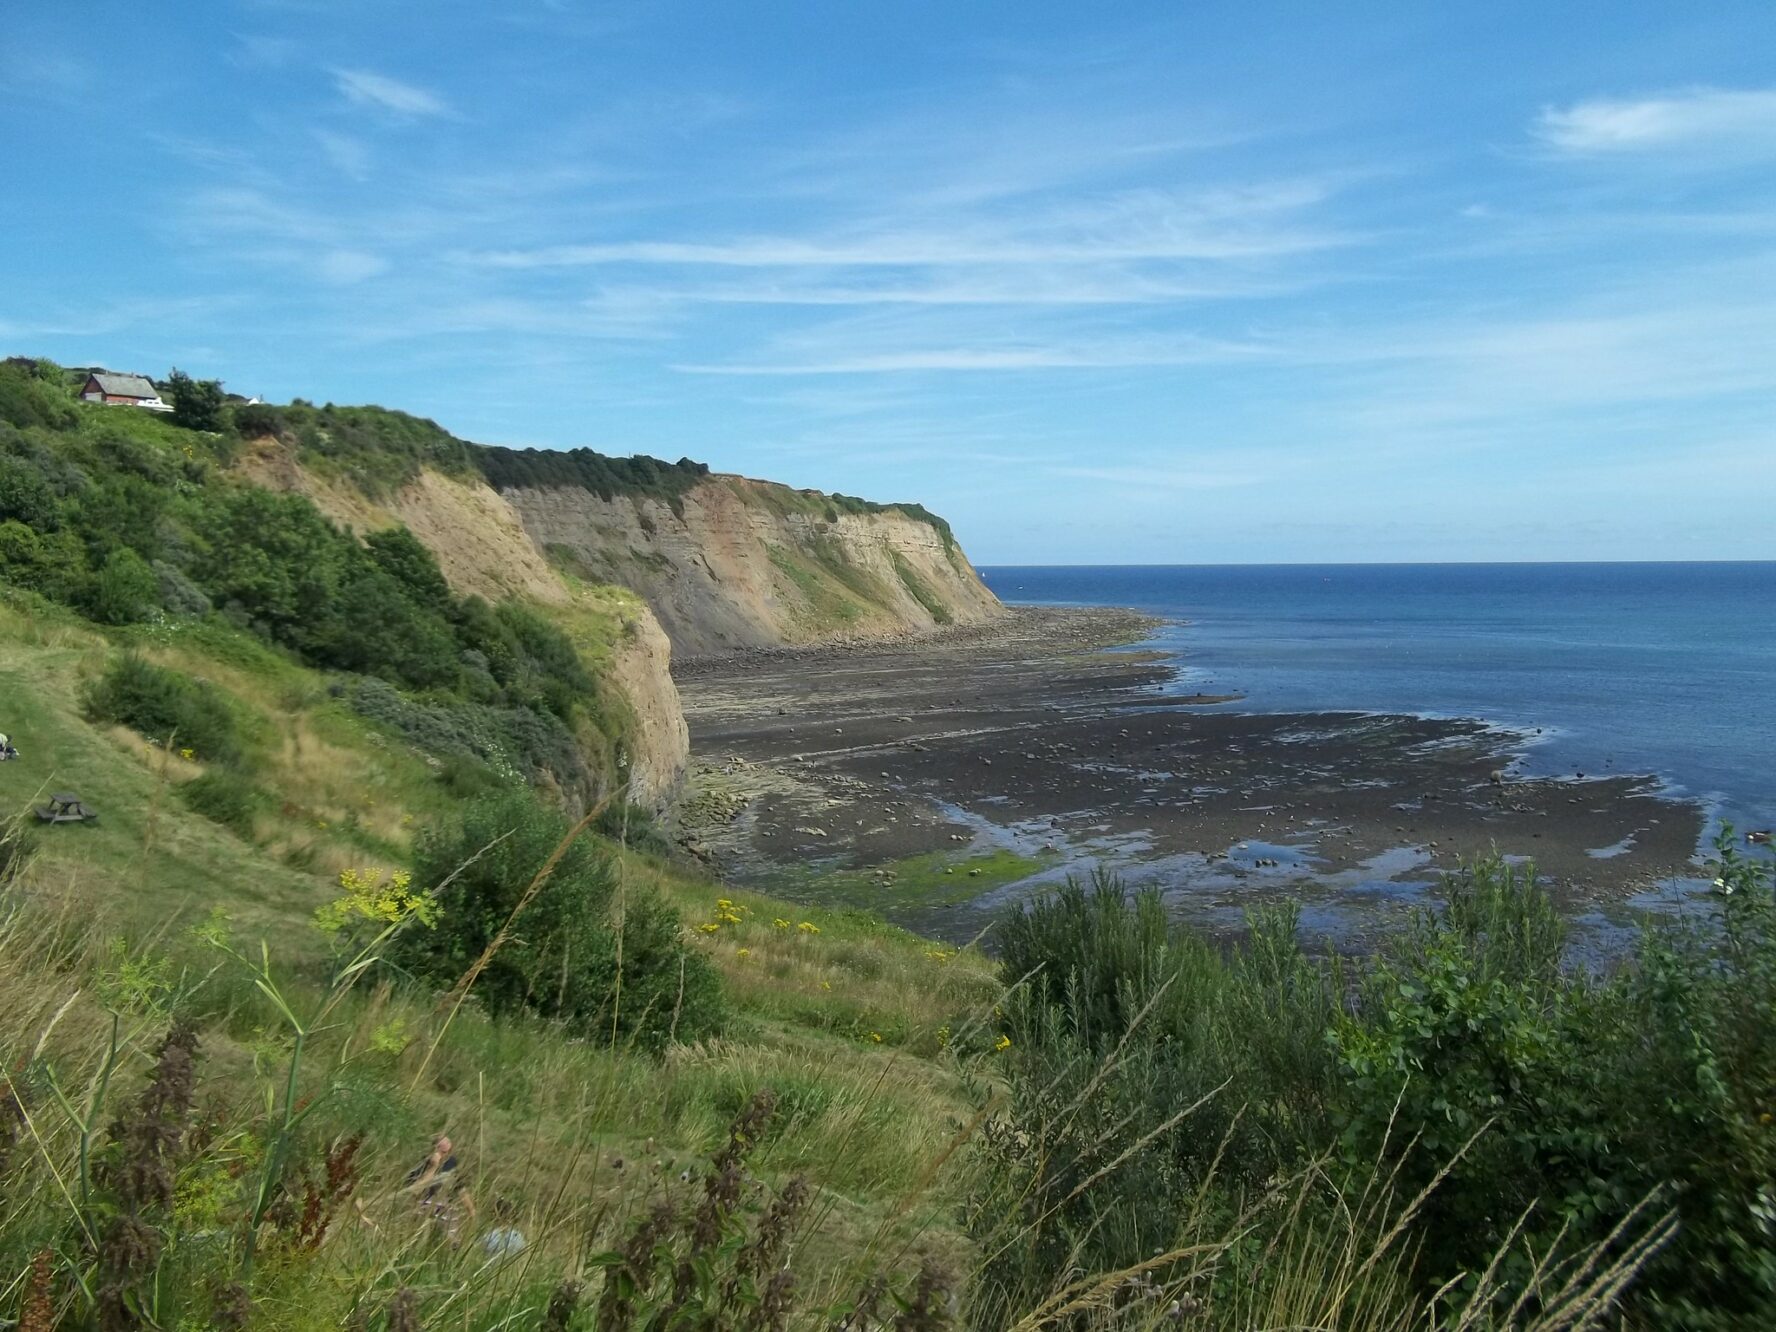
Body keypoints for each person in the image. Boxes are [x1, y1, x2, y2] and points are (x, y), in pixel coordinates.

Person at [405, 1134, 474, 1244]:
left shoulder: (452, 1164)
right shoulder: (423, 1165)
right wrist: (434, 1166)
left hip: (445, 1210)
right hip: (425, 1209)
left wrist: (471, 1210)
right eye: (441, 1149)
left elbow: (461, 1188)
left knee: (452, 1241)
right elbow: (416, 1190)